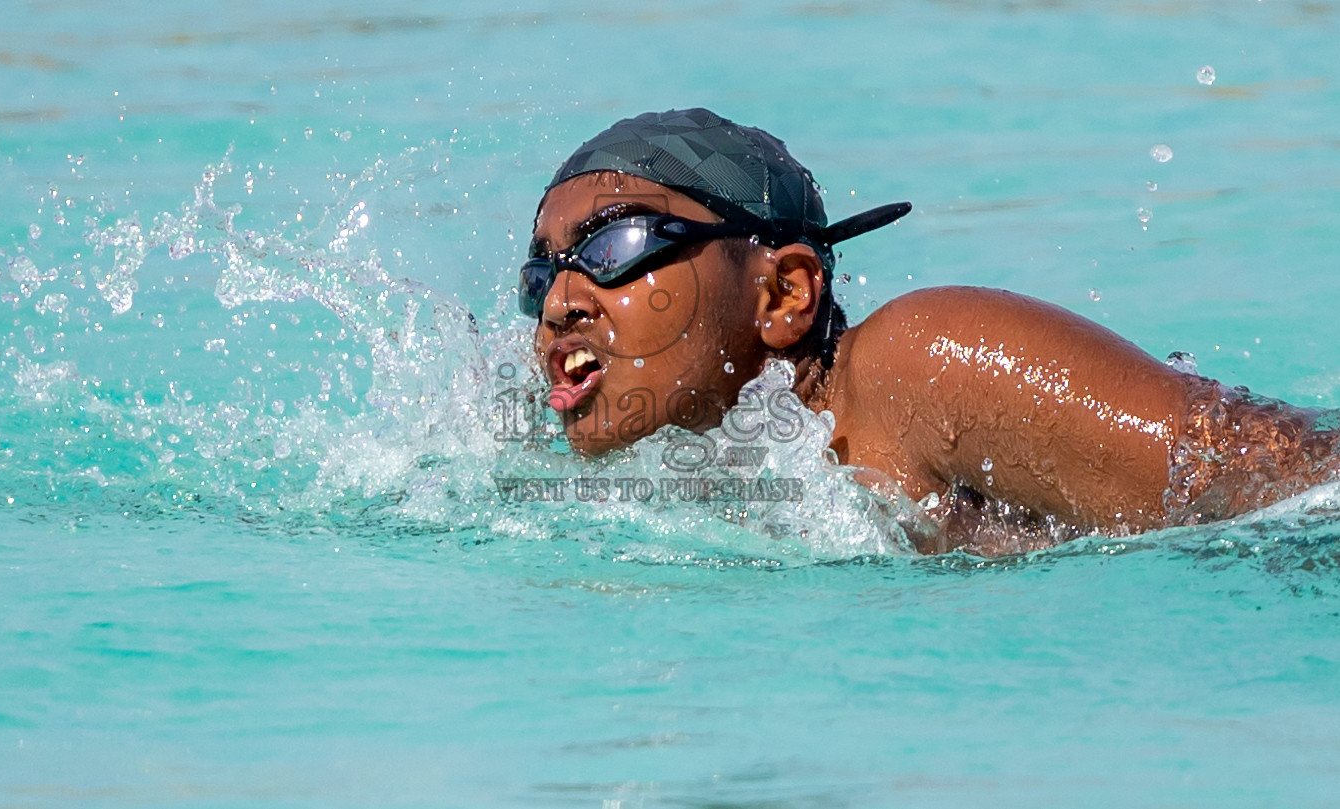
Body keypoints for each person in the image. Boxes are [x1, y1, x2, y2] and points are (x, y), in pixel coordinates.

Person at [521, 107, 1340, 555]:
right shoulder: (674, 477)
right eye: (540, 272)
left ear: (784, 293)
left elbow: (1279, 482)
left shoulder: (913, 367)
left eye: (616, 242)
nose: (560, 300)